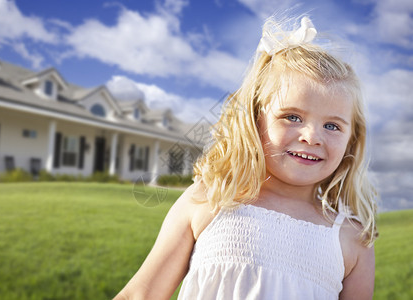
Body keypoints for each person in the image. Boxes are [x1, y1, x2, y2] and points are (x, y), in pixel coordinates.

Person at [114, 15, 378, 300]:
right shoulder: (211, 199)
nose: (312, 137)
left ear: (352, 137)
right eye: (292, 117)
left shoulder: (352, 239)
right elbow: (140, 294)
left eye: (332, 126)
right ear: (255, 120)